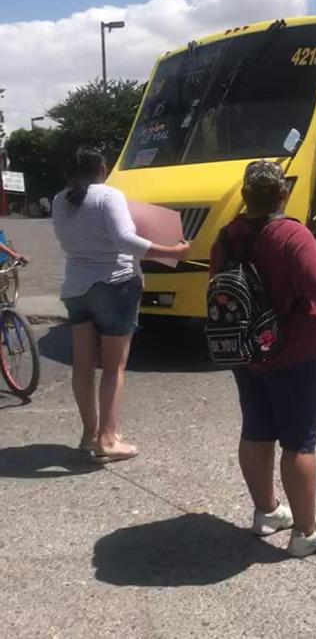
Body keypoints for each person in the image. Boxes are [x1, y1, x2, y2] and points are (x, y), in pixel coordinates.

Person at [209, 160, 316, 557]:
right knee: (299, 442)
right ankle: (306, 532)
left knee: (257, 430)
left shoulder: (226, 237)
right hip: (295, 351)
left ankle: (266, 512)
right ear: (282, 193)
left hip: (246, 350)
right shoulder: (291, 233)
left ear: (246, 195)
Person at [52, 147, 190, 464]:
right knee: (113, 367)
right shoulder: (108, 196)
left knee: (83, 365)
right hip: (115, 284)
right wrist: (173, 251)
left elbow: (67, 241)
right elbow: (125, 241)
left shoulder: (61, 200)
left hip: (75, 287)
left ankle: (89, 434)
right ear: (102, 167)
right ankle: (108, 438)